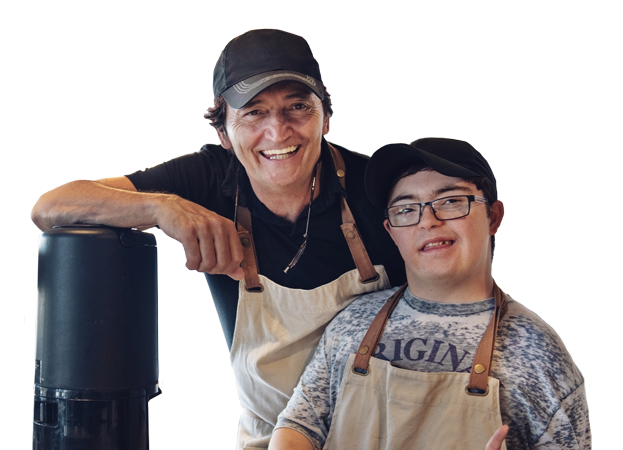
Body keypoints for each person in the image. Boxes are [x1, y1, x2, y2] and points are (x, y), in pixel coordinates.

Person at [31, 29, 406, 448]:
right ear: (224, 132)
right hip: (268, 436)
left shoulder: (381, 188)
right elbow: (52, 206)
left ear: (326, 118)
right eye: (253, 112)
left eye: (297, 107)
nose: (278, 131)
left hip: (382, 432)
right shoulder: (208, 178)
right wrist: (163, 208)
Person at [270, 138, 592, 450]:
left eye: (451, 201)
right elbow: (300, 425)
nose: (428, 221)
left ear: (493, 217)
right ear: (391, 232)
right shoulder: (352, 322)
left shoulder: (536, 352)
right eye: (406, 209)